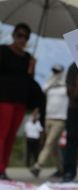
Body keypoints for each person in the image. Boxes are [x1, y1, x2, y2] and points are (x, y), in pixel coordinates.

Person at [0, 23, 36, 180]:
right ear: (14, 35)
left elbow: (30, 82)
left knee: (11, 136)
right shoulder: (2, 51)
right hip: (4, 98)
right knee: (2, 133)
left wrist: (32, 68)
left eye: (26, 37)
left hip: (20, 101)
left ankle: (3, 168)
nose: (22, 39)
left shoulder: (28, 58)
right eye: (20, 35)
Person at [30, 64, 68, 178]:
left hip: (60, 119)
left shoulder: (66, 86)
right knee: (54, 146)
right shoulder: (48, 85)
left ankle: (38, 166)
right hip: (48, 118)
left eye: (57, 71)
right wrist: (35, 112)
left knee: (49, 143)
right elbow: (41, 101)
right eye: (54, 71)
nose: (55, 73)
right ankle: (61, 168)